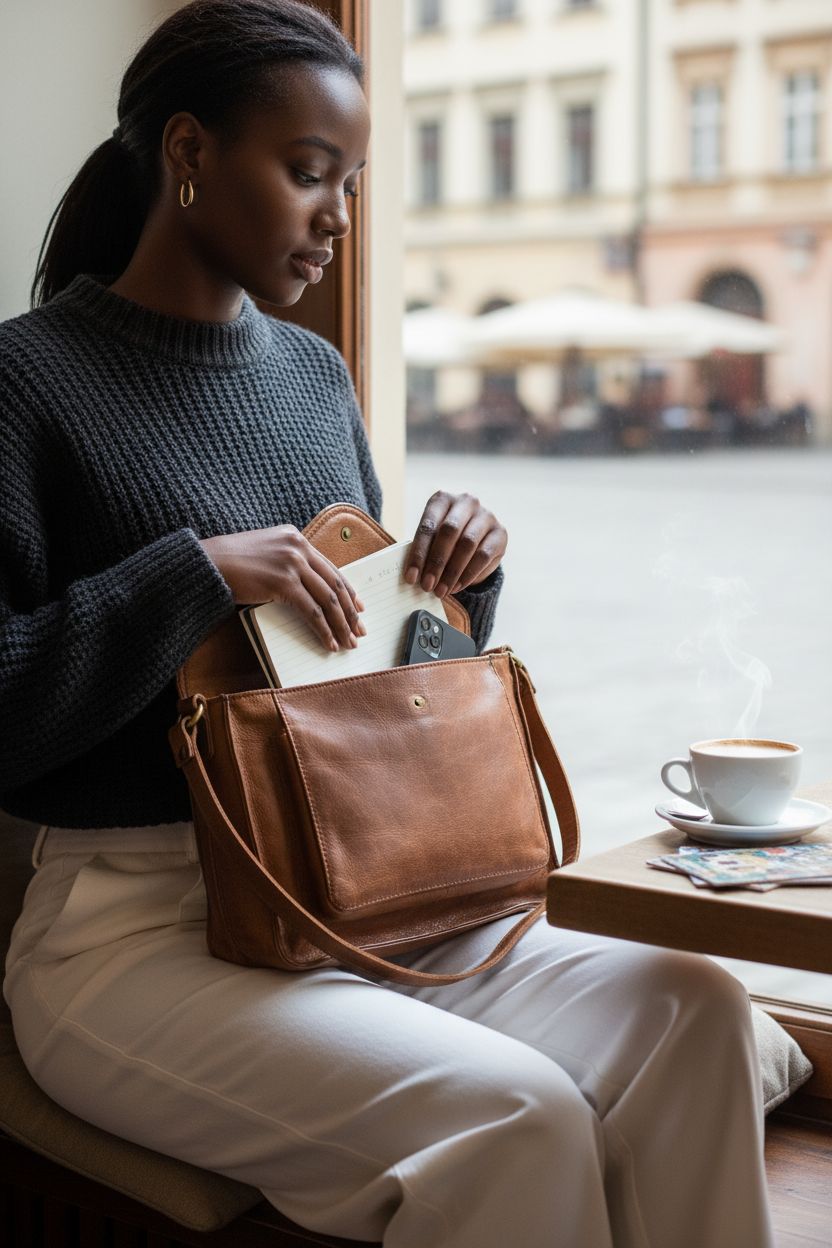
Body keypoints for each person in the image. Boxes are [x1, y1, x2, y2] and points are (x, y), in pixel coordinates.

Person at [1, 3, 774, 1245]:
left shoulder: (314, 380)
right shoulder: (24, 383)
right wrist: (191, 575)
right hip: (129, 932)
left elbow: (355, 685)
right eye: (309, 174)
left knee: (694, 1005)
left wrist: (452, 588)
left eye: (352, 182)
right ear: (189, 155)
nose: (340, 218)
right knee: (514, 1116)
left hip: (354, 894)